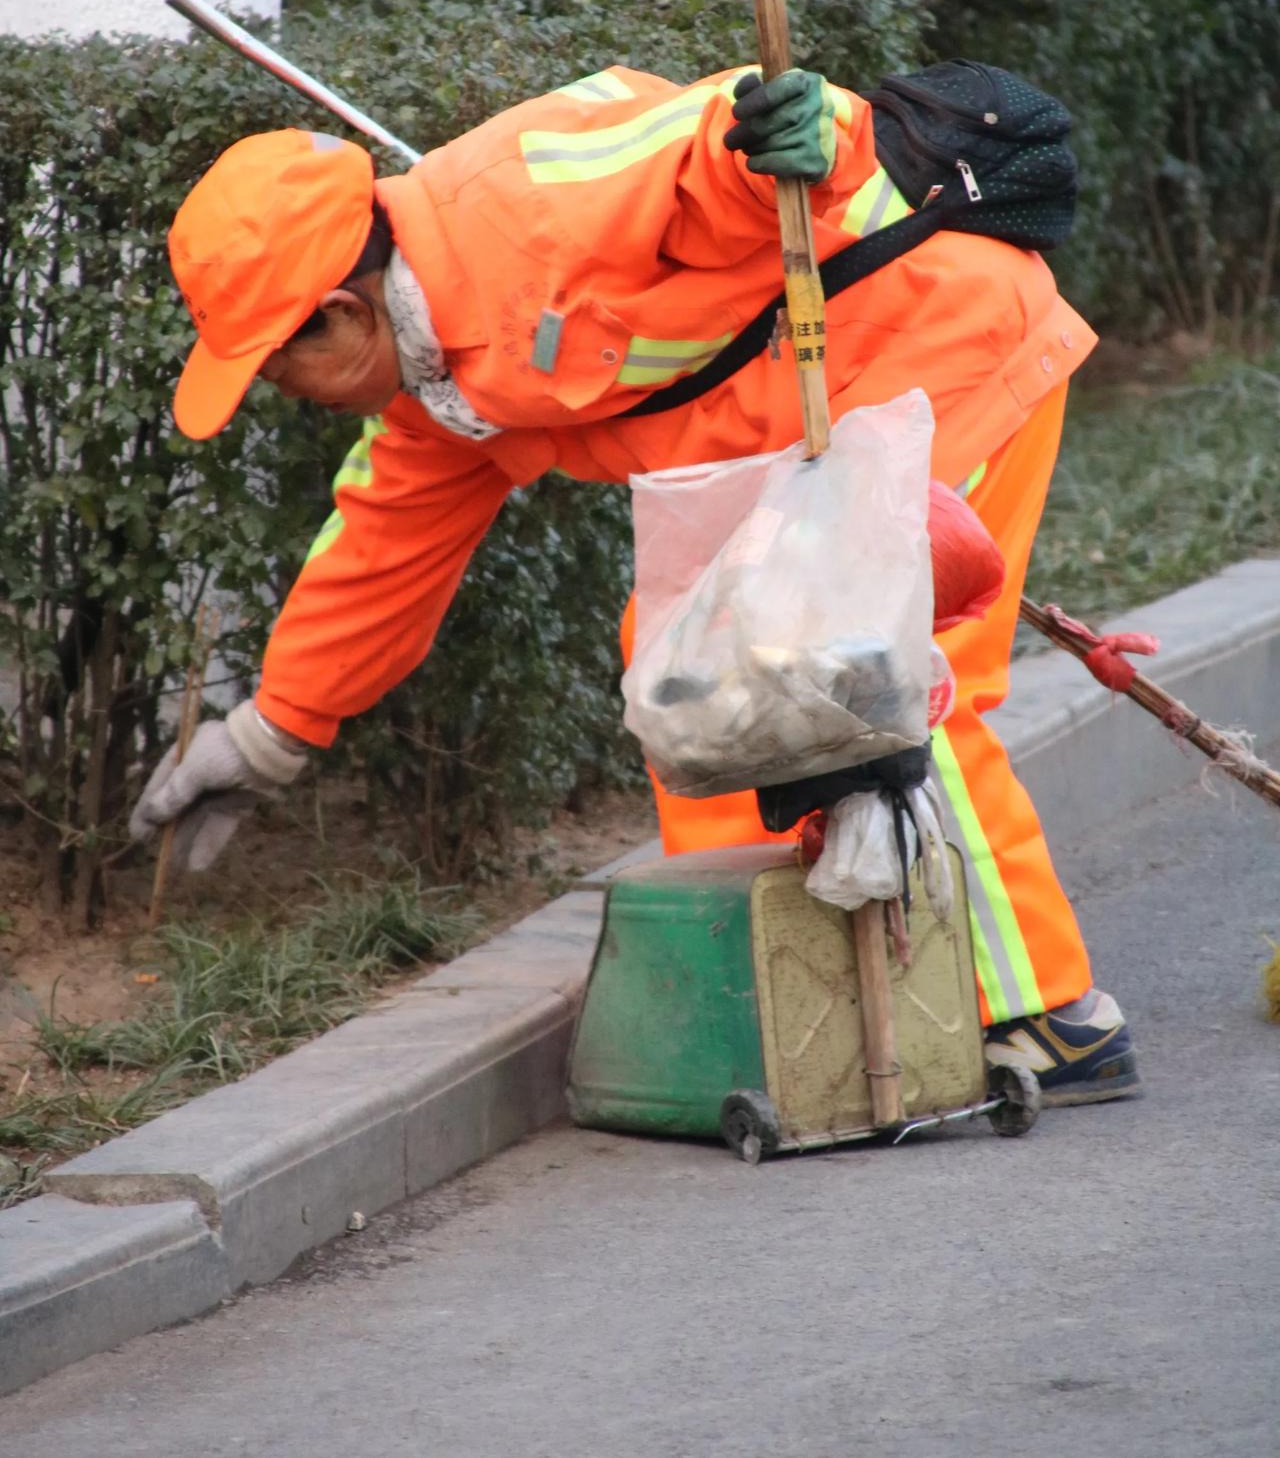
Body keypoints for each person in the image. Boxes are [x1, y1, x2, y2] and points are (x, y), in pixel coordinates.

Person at [130, 63, 1139, 1106]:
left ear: (340, 313)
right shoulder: (434, 385)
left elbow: (707, 139)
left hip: (933, 360)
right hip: (799, 429)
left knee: (884, 684)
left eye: (272, 366)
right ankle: (779, 994)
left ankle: (1041, 1016)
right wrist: (274, 729)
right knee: (685, 678)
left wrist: (796, 132)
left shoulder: (525, 209)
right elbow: (381, 544)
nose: (279, 394)